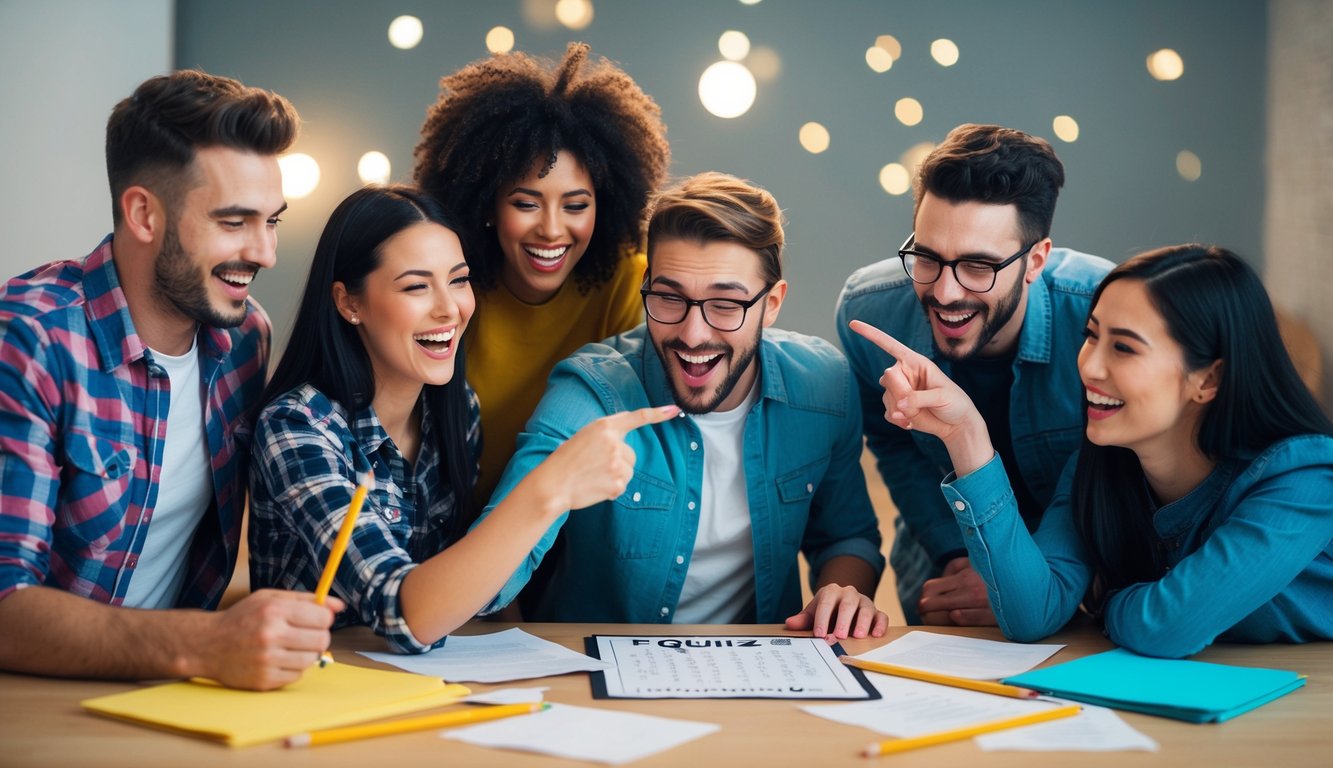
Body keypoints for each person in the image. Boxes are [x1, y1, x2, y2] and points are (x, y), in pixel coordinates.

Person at [0, 69, 339, 690]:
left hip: (176, 693)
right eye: (235, 222)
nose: (265, 253)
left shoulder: (244, 340)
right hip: (37, 702)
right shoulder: (28, 341)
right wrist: (204, 644)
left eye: (273, 222)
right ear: (143, 214)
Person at [247, 185, 677, 653]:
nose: (449, 308)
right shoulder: (299, 428)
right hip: (316, 691)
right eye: (416, 286)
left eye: (458, 280)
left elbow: (468, 579)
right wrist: (550, 488)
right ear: (350, 302)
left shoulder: (454, 411)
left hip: (423, 694)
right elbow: (406, 613)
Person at [852, 244, 1333, 657]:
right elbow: (1032, 615)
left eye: (1123, 348)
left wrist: (1105, 600)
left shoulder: (1303, 478)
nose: (1089, 367)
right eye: (1091, 336)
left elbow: (1165, 627)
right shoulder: (1103, 456)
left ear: (1208, 379)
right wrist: (967, 438)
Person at [479, 172, 888, 641]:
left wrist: (843, 593)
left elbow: (846, 536)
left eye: (725, 304)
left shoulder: (823, 387)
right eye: (670, 298)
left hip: (761, 678)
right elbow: (491, 585)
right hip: (592, 680)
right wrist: (549, 488)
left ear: (771, 304)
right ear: (646, 288)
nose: (693, 335)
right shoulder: (590, 392)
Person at [836, 123, 1114, 625]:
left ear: (1035, 261)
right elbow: (896, 449)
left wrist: (1026, 574)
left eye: (978, 267)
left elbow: (1122, 479)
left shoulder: (1105, 317)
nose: (944, 293)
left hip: (1087, 537)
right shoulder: (868, 315)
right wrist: (960, 555)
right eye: (927, 257)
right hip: (951, 530)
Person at [414, 42, 670, 510]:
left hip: (573, 534)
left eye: (576, 205)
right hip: (444, 531)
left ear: (607, 205)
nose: (552, 229)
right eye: (525, 203)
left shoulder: (628, 282)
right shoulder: (451, 283)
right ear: (487, 204)